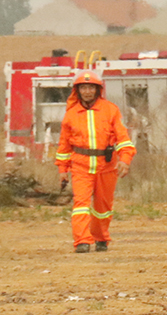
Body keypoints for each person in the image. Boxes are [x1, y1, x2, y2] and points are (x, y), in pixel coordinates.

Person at [55, 70, 136, 253]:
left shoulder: (110, 110)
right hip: (81, 165)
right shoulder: (71, 114)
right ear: (78, 90)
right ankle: (82, 241)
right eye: (84, 87)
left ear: (98, 89)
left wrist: (125, 159)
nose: (87, 91)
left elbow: (123, 138)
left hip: (106, 166)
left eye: (91, 87)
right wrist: (62, 169)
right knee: (81, 205)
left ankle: (101, 237)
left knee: (103, 207)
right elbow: (64, 145)